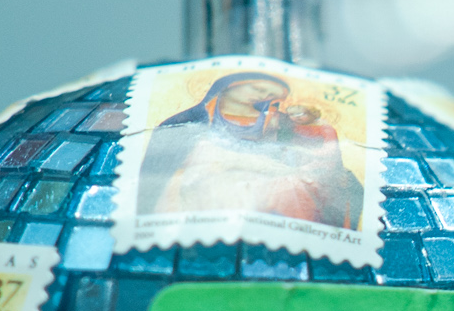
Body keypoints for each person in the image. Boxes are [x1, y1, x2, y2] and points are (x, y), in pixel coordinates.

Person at [136, 70, 364, 229]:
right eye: (258, 88)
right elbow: (167, 160)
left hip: (264, 176)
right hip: (205, 176)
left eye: (271, 96)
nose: (263, 96)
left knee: (296, 188)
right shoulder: (189, 120)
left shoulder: (277, 119)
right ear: (230, 85)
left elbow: (299, 145)